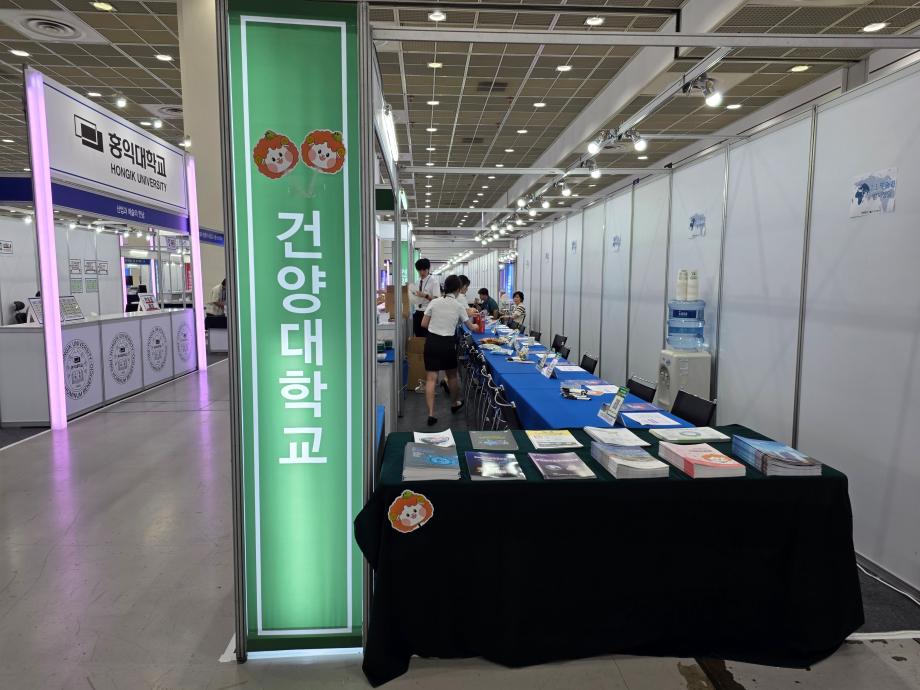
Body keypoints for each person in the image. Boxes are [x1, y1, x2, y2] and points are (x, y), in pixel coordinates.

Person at [421, 274, 474, 426]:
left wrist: (436, 326)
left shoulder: (434, 302)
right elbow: (470, 326)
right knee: (452, 376)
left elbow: (424, 324)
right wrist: (477, 326)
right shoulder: (458, 306)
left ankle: (431, 414)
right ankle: (454, 403)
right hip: (448, 344)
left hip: (432, 342)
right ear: (458, 289)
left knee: (431, 378)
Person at [410, 258, 440, 337]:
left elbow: (437, 300)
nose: (422, 272)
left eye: (424, 270)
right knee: (418, 335)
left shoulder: (434, 281)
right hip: (417, 312)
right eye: (419, 270)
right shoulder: (417, 281)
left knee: (427, 336)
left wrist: (425, 295)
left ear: (428, 269)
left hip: (428, 313)